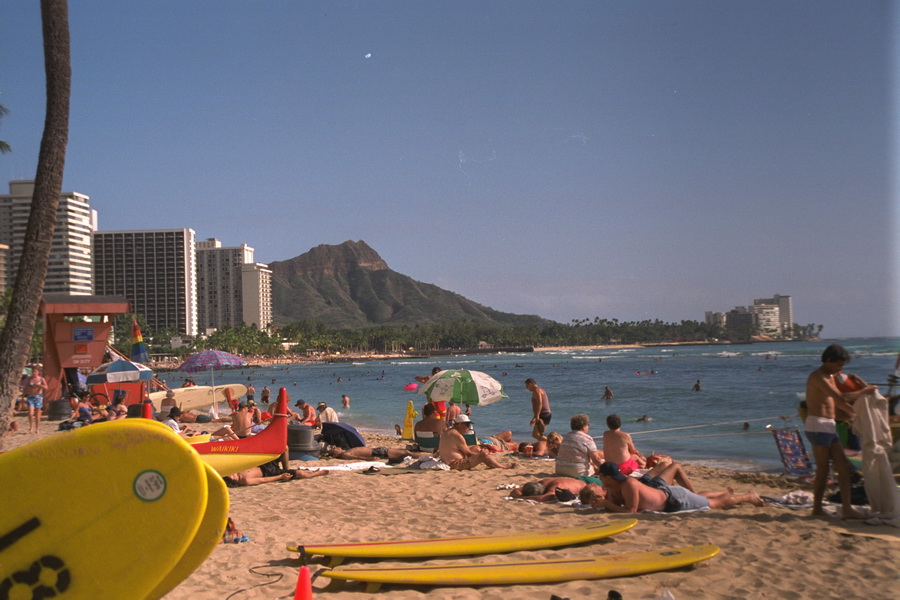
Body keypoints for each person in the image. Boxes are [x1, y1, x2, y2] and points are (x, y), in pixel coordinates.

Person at [805, 344, 876, 519]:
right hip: (817, 425)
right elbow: (841, 397)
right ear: (828, 360)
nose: (841, 369)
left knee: (843, 468)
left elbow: (838, 402)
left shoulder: (831, 376)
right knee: (823, 470)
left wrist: (853, 414)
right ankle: (817, 508)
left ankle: (847, 509)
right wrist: (864, 391)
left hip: (829, 425)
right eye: (838, 365)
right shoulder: (818, 377)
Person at [582, 462, 764, 513]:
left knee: (715, 504)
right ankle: (726, 491)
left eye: (600, 476)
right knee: (704, 498)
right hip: (670, 499)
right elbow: (615, 506)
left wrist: (607, 504)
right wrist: (602, 503)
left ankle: (748, 496)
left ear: (607, 477)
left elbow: (631, 511)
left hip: (674, 498)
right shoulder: (613, 488)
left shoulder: (629, 484)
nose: (599, 479)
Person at [438, 415, 511, 470]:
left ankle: (490, 459)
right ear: (459, 424)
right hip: (456, 464)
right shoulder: (457, 436)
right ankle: (503, 467)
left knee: (476, 448)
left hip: (448, 461)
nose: (469, 427)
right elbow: (468, 454)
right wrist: (482, 454)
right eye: (467, 425)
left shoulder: (448, 432)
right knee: (483, 455)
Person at [225, 450, 329, 486]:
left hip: (263, 464)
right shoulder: (245, 480)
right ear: (234, 481)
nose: (234, 474)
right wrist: (280, 476)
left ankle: (286, 467)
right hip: (270, 472)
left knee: (284, 448)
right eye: (233, 476)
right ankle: (317, 473)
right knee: (300, 474)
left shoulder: (235, 472)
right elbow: (263, 480)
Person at [555, 413, 604, 478]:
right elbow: (596, 459)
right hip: (577, 472)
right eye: (587, 424)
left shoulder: (566, 436)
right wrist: (604, 469)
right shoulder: (587, 438)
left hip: (560, 469)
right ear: (583, 427)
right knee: (596, 466)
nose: (588, 426)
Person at [509, 477, 593, 502]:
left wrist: (524, 498)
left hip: (588, 484)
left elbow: (544, 498)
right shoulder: (542, 482)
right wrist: (520, 494)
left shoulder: (555, 486)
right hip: (578, 479)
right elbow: (515, 490)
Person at [325, 445, 428, 462]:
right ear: (335, 455)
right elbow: (357, 457)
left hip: (378, 450)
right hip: (377, 452)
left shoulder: (346, 450)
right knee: (407, 453)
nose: (335, 447)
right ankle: (430, 456)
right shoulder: (345, 454)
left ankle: (430, 455)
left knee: (406, 453)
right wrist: (369, 459)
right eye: (333, 449)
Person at [23, 366, 48, 434]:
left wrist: (38, 385)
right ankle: (31, 427)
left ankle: (37, 428)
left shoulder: (41, 379)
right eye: (33, 371)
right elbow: (25, 388)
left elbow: (46, 387)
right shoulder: (29, 379)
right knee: (30, 413)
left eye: (35, 371)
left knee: (37, 414)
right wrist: (23, 397)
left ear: (38, 372)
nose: (34, 373)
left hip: (38, 397)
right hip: (30, 396)